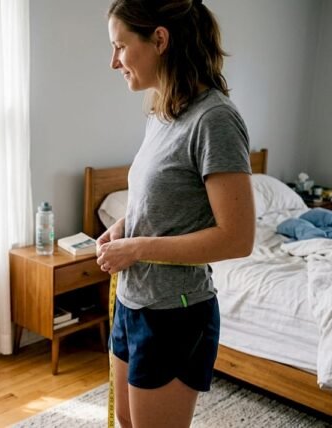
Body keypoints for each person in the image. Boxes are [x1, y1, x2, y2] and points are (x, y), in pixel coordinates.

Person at [97, 1, 256, 427]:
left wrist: (137, 249)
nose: (114, 62)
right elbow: (162, 200)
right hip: (134, 301)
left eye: (120, 47)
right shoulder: (164, 111)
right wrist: (123, 226)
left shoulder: (215, 119)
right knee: (127, 421)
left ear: (160, 40)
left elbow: (237, 238)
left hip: (175, 312)